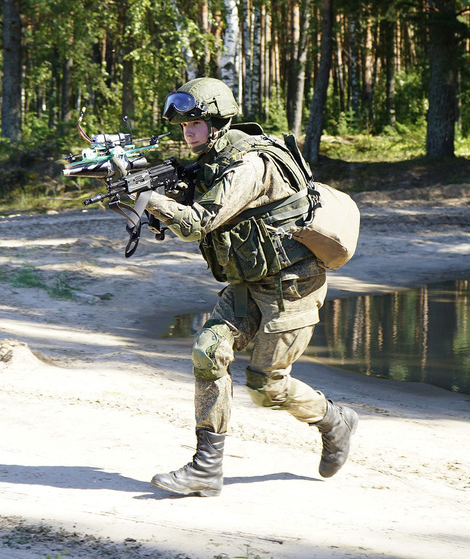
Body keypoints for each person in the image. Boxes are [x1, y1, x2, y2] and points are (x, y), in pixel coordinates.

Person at [143, 77, 359, 497]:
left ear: (218, 121)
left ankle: (334, 419)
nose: (187, 132)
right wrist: (141, 201)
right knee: (208, 352)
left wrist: (150, 198)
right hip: (248, 283)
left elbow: (196, 224)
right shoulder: (210, 160)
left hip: (291, 286)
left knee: (267, 386)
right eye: (183, 126)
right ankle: (206, 469)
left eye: (195, 123)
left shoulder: (248, 166)